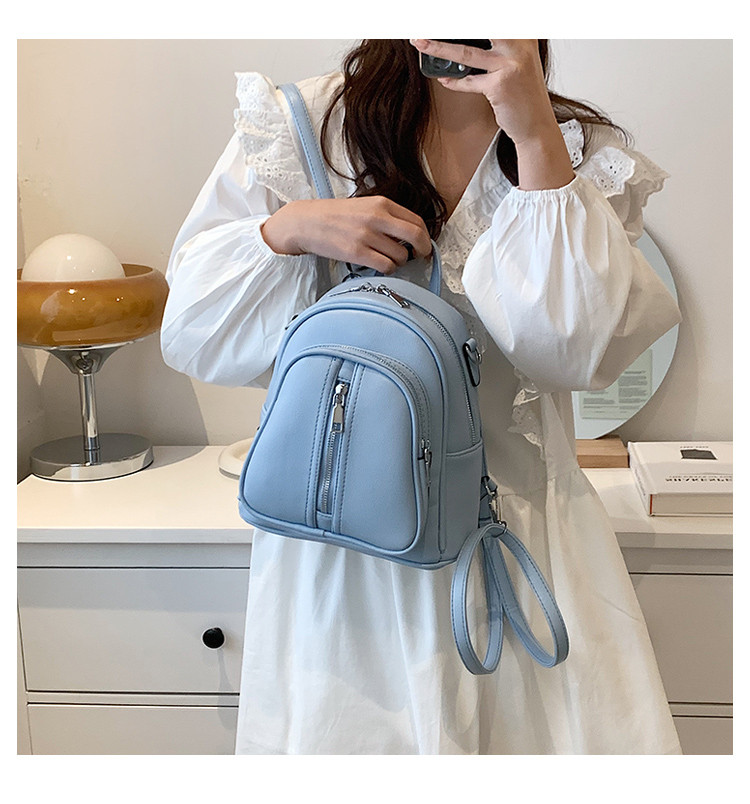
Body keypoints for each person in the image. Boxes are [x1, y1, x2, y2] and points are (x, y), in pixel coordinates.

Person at [161, 39, 683, 754]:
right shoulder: (303, 125)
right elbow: (192, 330)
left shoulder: (578, 150)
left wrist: (534, 134)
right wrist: (290, 229)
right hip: (349, 553)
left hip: (518, 540)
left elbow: (574, 352)